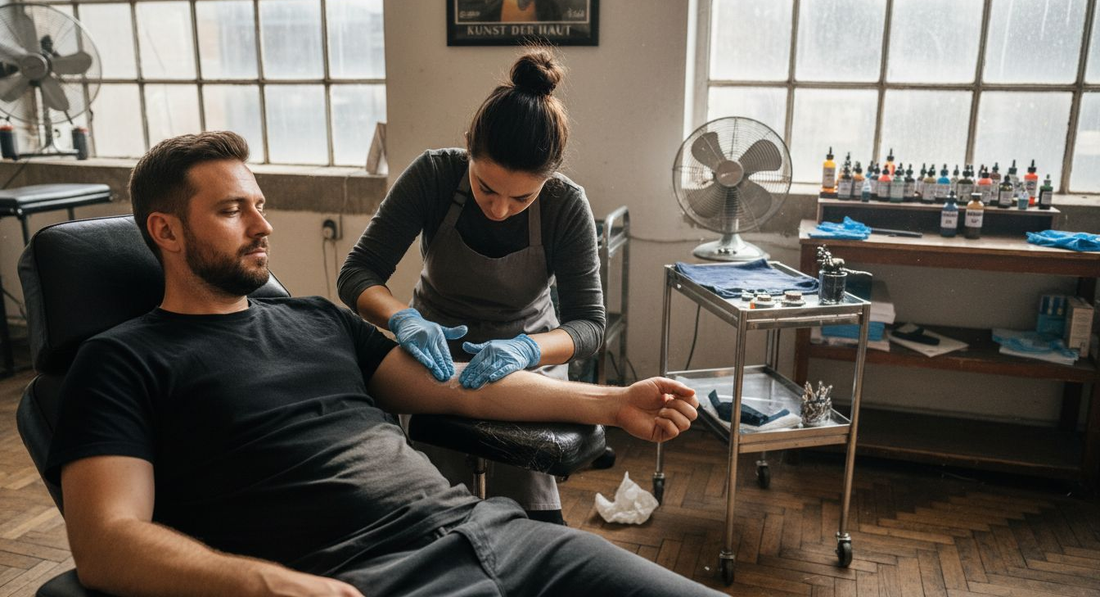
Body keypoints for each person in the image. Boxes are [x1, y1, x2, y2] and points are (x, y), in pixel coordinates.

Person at [46, 131, 720, 597]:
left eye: (259, 203)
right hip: (361, 575)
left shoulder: (315, 317)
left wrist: (613, 401)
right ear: (165, 230)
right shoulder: (120, 360)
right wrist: (262, 582)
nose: (263, 225)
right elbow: (106, 543)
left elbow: (465, 390)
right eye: (231, 210)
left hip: (497, 535)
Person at [338, 49, 603, 524]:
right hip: (433, 350)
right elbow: (357, 274)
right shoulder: (434, 176)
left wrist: (527, 351)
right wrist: (403, 319)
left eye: (522, 196)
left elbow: (588, 326)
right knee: (431, 509)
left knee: (527, 518)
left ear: (550, 177)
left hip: (527, 357)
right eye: (485, 188)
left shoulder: (566, 205)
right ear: (467, 150)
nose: (500, 209)